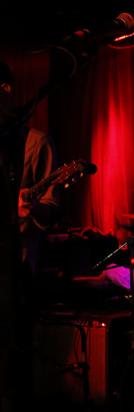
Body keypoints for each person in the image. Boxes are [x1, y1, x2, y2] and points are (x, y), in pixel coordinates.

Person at [0, 62, 60, 277]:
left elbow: (50, 211)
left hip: (18, 264)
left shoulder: (37, 142)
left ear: (5, 90)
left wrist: (33, 207)